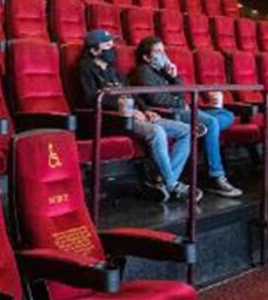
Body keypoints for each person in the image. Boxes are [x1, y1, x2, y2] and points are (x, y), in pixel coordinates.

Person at [78, 29, 199, 203]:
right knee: (156, 131)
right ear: (94, 50)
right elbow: (91, 99)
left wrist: (145, 109)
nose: (112, 49)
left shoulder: (113, 69)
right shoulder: (85, 69)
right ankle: (173, 185)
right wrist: (126, 110)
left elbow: (132, 94)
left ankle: (163, 181)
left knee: (186, 130)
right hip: (113, 118)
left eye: (112, 45)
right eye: (107, 46)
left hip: (136, 114)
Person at [130, 37, 244, 198]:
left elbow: (181, 92)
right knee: (212, 123)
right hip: (169, 112)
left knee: (227, 115)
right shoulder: (142, 71)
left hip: (182, 108)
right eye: (158, 52)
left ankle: (201, 130)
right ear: (146, 57)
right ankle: (216, 176)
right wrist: (180, 103)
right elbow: (155, 99)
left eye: (163, 51)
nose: (163, 55)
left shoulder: (162, 71)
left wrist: (173, 76)